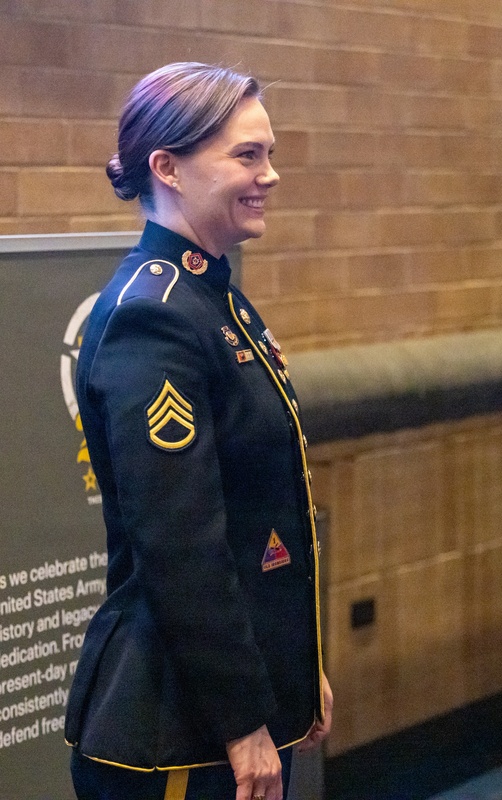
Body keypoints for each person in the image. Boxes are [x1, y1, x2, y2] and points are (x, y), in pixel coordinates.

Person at [65, 62, 333, 800]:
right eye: (247, 156)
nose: (270, 175)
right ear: (168, 168)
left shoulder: (214, 297)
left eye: (269, 154)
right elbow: (181, 545)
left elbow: (259, 521)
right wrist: (244, 718)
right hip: (174, 727)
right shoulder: (154, 316)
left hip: (214, 709)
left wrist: (295, 672)